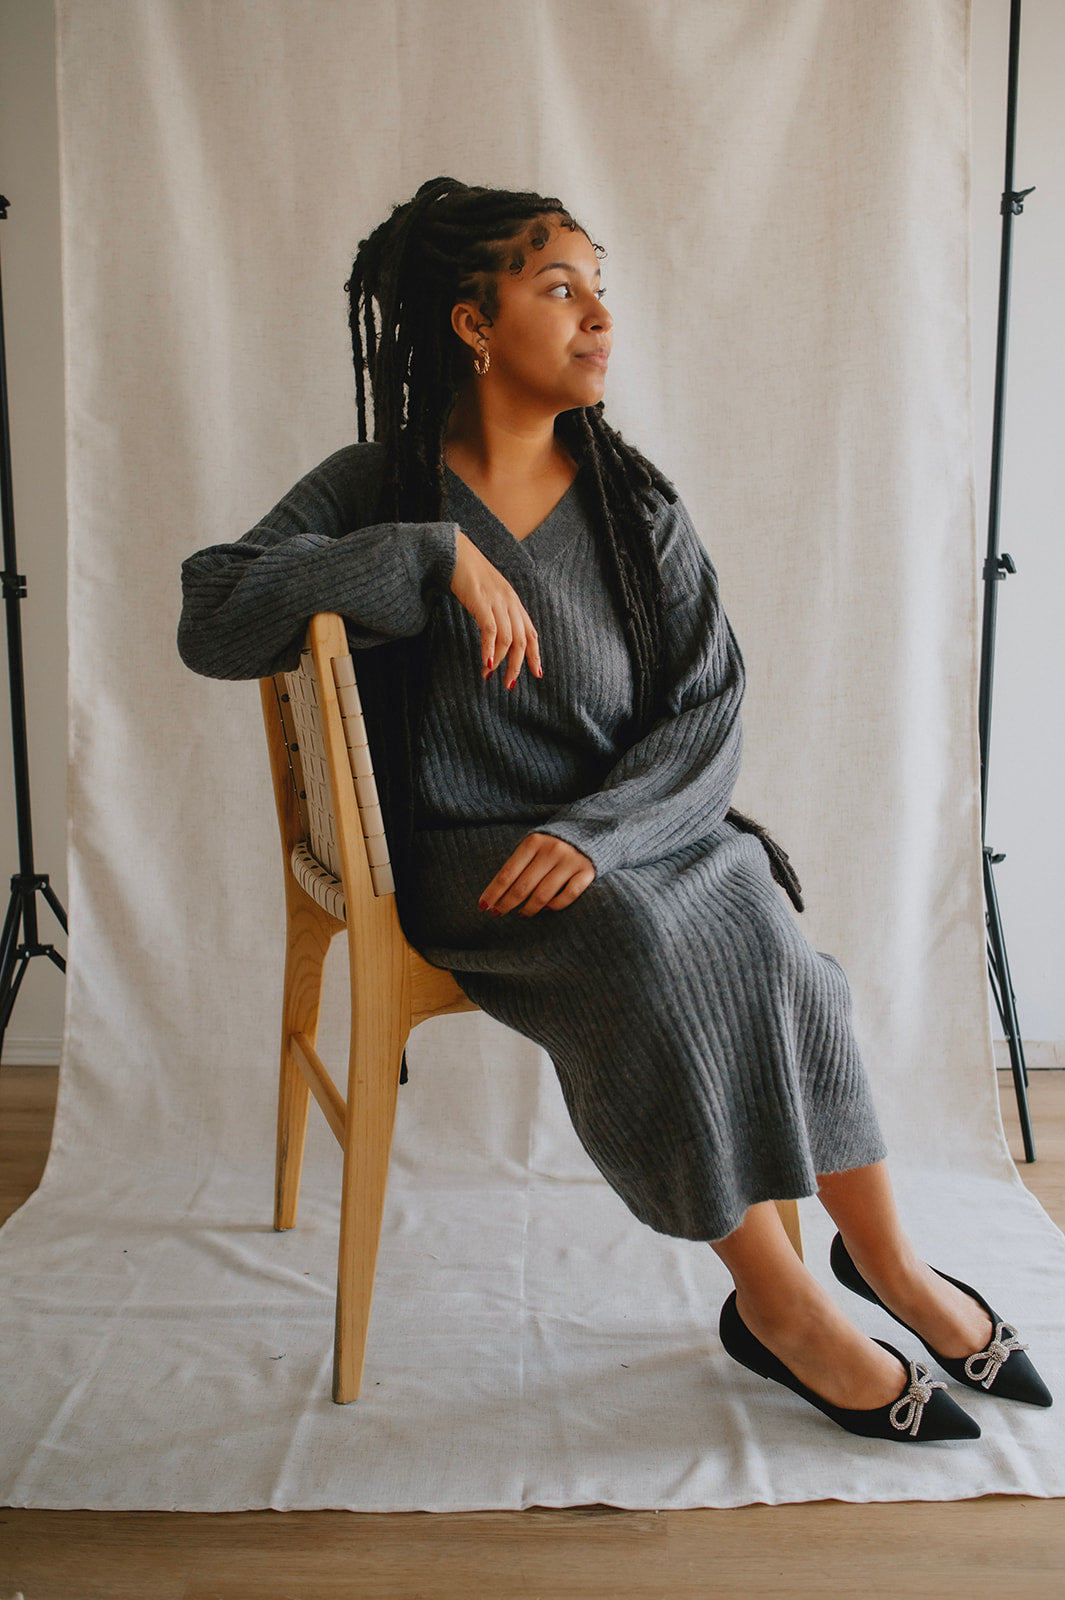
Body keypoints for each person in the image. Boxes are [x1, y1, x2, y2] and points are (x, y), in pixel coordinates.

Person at [178, 176, 1050, 1441]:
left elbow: (710, 713)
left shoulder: (636, 509)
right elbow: (212, 611)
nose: (598, 317)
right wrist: (428, 554)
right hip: (470, 860)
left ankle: (892, 1267)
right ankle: (781, 1307)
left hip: (629, 833)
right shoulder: (379, 488)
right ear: (474, 324)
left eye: (602, 289)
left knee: (765, 924)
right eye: (560, 288)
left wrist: (597, 832)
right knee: (646, 947)